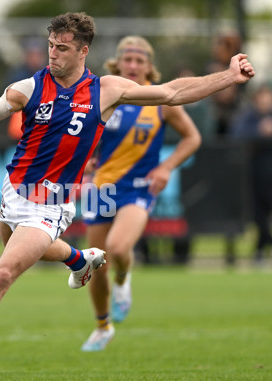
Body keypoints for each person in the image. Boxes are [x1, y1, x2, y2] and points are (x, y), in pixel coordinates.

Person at [0, 12, 254, 381]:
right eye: (51, 46)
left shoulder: (108, 89)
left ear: (83, 51)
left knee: (2, 275)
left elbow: (172, 92)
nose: (53, 54)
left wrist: (228, 77)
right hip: (14, 191)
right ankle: (79, 259)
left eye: (62, 48)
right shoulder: (29, 88)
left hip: (52, 204)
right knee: (20, 251)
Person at [79, 36, 202, 351]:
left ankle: (123, 282)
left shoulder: (159, 100)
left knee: (118, 249)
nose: (132, 66)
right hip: (101, 188)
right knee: (93, 264)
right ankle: (102, 326)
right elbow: (83, 137)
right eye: (127, 60)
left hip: (137, 188)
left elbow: (192, 138)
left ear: (149, 67)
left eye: (139, 61)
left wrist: (166, 167)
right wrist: (87, 158)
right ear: (117, 63)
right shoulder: (105, 94)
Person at [232, 84, 272, 264]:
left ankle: (261, 250)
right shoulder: (249, 117)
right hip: (251, 172)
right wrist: (260, 132)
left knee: (267, 212)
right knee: (256, 213)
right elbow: (238, 134)